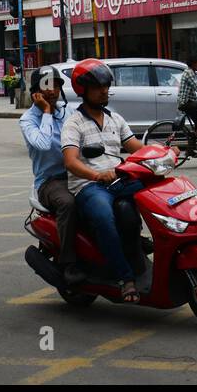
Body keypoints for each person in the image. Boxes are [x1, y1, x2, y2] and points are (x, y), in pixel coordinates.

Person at [62, 59, 147, 302]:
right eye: (98, 87)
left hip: (118, 181)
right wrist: (97, 175)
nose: (104, 91)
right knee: (103, 216)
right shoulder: (73, 123)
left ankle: (139, 246)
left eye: (106, 86)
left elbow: (135, 148)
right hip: (90, 186)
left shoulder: (115, 119)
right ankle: (125, 278)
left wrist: (159, 153)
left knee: (157, 194)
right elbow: (70, 161)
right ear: (83, 90)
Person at [20, 66, 81, 283]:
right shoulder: (28, 120)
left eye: (55, 85)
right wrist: (45, 112)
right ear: (36, 92)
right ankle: (68, 262)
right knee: (67, 203)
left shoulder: (70, 112)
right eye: (47, 86)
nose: (52, 91)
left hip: (78, 173)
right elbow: (44, 144)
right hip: (50, 181)